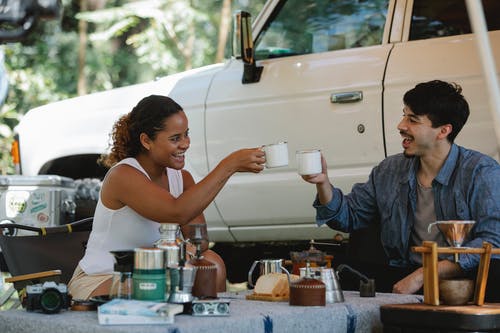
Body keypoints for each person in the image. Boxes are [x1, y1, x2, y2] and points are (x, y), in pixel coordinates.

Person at [301, 80, 500, 299]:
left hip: (460, 280)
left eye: (412, 120)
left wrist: (424, 274)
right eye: (404, 115)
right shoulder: (389, 170)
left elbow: (493, 240)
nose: (401, 125)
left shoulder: (481, 171)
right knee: (343, 272)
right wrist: (323, 183)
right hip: (402, 274)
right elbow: (348, 217)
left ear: (443, 131)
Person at [68, 95, 265, 300]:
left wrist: (184, 252)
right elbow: (176, 212)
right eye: (175, 138)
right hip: (104, 278)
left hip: (156, 275)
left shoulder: (182, 178)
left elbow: (200, 241)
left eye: (186, 134)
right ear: (146, 141)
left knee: (210, 262)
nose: (185, 144)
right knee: (154, 284)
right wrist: (229, 165)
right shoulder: (123, 175)